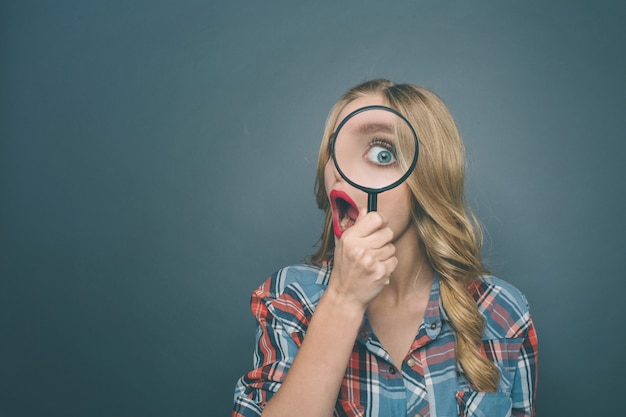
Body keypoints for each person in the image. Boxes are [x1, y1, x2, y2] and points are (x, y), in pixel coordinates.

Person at [232, 79, 538, 417]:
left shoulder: (501, 312)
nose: (342, 175)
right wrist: (344, 299)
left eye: (382, 153)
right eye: (336, 150)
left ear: (428, 177)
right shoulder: (290, 299)